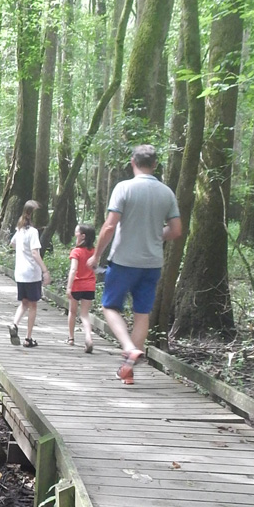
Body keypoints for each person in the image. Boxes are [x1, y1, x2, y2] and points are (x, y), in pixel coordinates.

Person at [87, 144, 181, 384]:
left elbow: (110, 225)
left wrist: (96, 255)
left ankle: (129, 348)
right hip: (152, 263)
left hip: (124, 261)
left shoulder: (124, 188)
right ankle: (128, 372)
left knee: (109, 307)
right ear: (155, 165)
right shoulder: (167, 193)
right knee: (142, 313)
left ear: (132, 162)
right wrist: (155, 235)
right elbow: (176, 230)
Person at [8, 200, 51, 348]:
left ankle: (14, 324)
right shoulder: (33, 232)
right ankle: (28, 338)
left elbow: (12, 243)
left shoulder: (20, 230)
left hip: (20, 273)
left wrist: (22, 252)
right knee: (33, 306)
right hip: (32, 273)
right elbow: (34, 253)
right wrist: (45, 271)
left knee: (24, 302)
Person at [66, 223, 96, 353]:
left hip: (77, 285)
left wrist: (69, 287)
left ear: (82, 236)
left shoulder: (76, 251)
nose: (75, 234)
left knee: (72, 312)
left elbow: (73, 269)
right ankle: (88, 338)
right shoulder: (94, 251)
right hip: (89, 286)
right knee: (84, 314)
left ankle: (71, 338)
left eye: (76, 232)